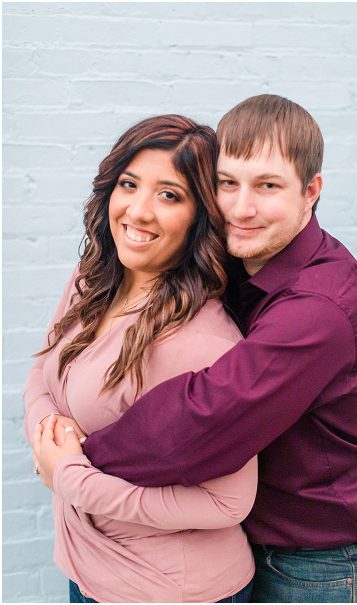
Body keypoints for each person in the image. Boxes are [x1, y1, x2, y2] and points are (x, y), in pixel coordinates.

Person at [69, 94, 357, 603]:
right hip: (252, 546)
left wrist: (76, 459)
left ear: (311, 190)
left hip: (326, 566)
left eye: (267, 186)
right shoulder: (239, 261)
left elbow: (204, 416)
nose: (241, 209)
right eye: (228, 183)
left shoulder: (318, 308)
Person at [24, 115, 257, 603]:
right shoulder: (93, 280)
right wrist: (53, 437)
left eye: (169, 195)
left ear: (200, 216)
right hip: (88, 570)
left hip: (172, 589)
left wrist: (71, 477)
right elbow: (43, 374)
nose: (139, 210)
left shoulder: (204, 344)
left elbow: (228, 501)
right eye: (129, 184)